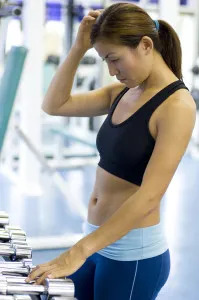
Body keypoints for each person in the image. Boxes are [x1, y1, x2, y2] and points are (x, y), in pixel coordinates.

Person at [26, 2, 196, 300]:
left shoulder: (177, 106)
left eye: (114, 59)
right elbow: (54, 105)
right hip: (97, 242)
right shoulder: (123, 92)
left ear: (145, 45)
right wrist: (79, 48)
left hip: (132, 257)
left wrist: (78, 251)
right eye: (105, 60)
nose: (112, 71)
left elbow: (149, 196)